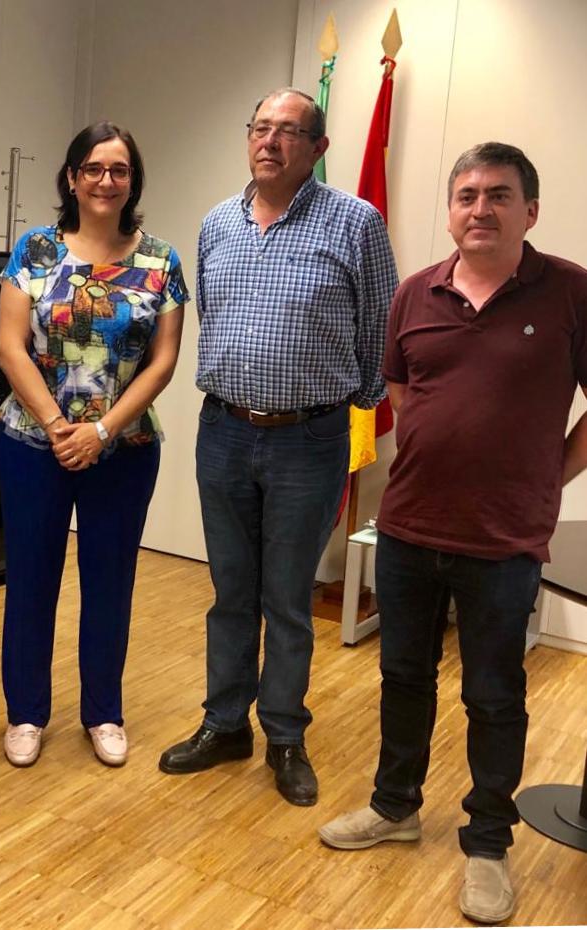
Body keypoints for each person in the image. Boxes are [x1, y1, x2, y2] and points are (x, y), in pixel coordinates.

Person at [319, 142, 587, 924]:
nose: (481, 209)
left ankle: (488, 844)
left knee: (494, 695)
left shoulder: (570, 292)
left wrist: (550, 476)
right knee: (403, 677)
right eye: (467, 195)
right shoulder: (414, 294)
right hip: (409, 527)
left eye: (499, 195)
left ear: (529, 211)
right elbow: (403, 391)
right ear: (450, 211)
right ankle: (394, 806)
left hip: (504, 539)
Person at [158, 88, 398, 806]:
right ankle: (224, 723)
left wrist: (351, 402)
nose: (270, 141)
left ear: (317, 148)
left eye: (288, 131)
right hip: (224, 430)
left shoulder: (355, 222)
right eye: (260, 128)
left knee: (287, 599)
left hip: (309, 438)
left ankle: (285, 736)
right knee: (230, 593)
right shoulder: (217, 224)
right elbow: (213, 314)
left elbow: (379, 327)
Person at [0, 121, 188, 768]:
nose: (106, 180)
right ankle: (26, 713)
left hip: (124, 448)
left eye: (119, 170)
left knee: (110, 582)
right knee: (31, 580)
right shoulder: (36, 249)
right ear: (72, 177)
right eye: (94, 168)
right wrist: (59, 427)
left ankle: (104, 712)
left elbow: (163, 362)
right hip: (33, 444)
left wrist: (102, 431)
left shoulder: (161, 261)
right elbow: (9, 346)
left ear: (133, 181)